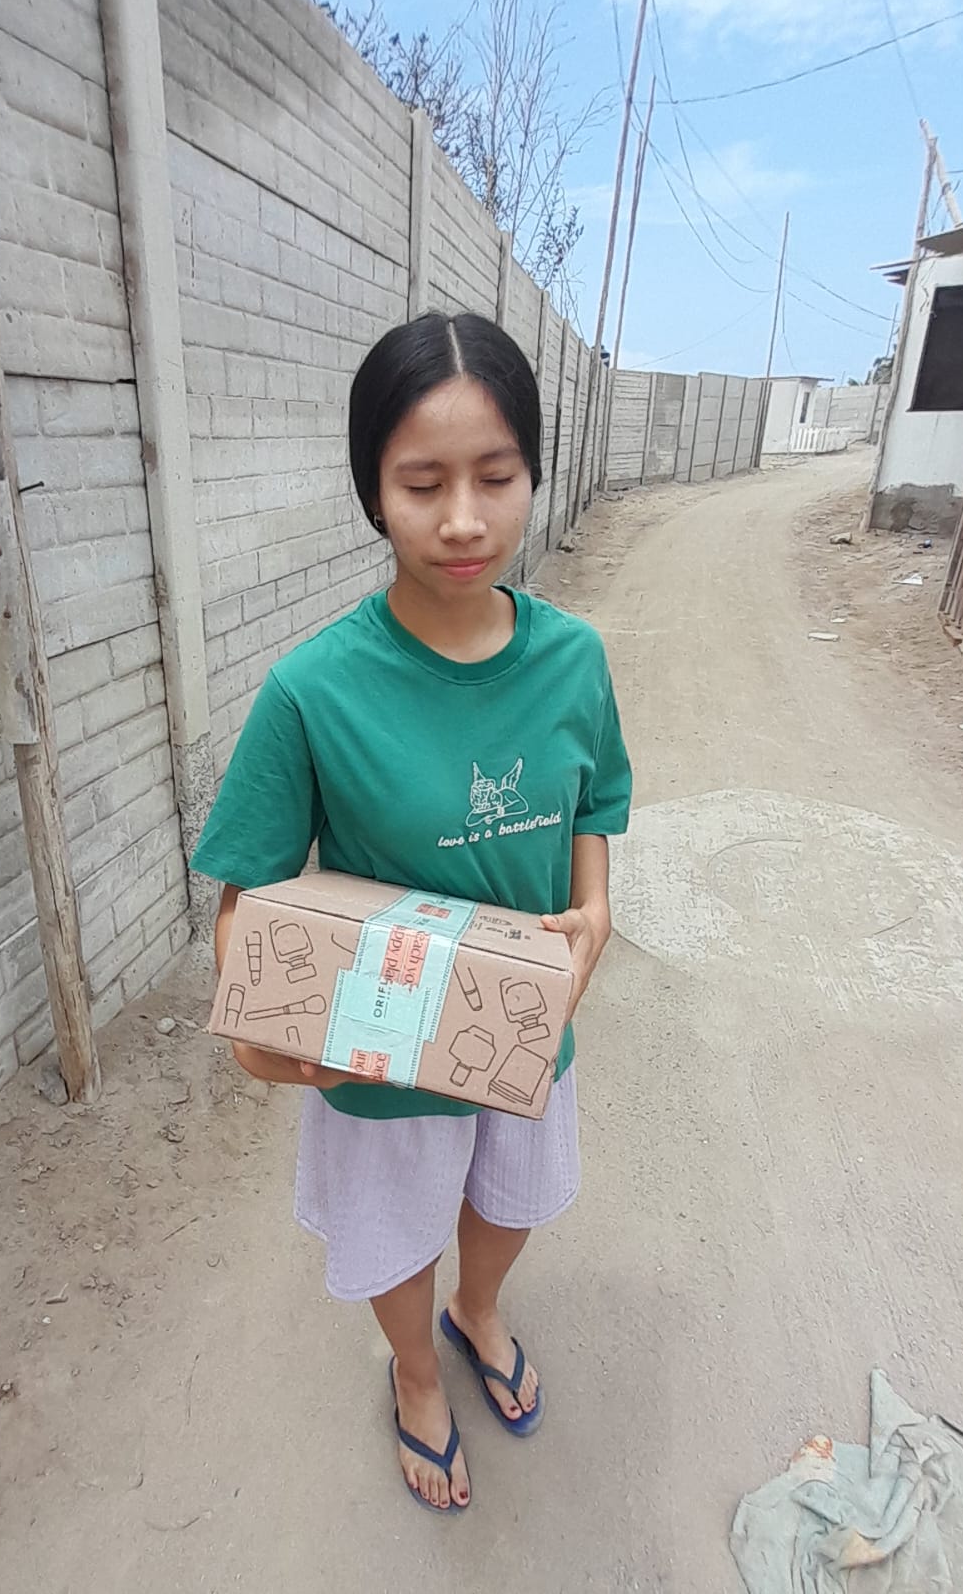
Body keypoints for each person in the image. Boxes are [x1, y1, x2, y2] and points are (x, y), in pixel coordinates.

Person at [190, 311, 632, 1514]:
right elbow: (248, 897)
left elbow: (597, 799)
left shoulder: (574, 660)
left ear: (532, 473)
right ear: (372, 492)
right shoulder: (312, 691)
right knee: (394, 1233)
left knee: (510, 1202)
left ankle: (477, 1312)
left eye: (497, 476)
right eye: (423, 484)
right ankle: (414, 1372)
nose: (464, 520)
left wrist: (593, 909)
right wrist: (268, 1030)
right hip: (383, 1061)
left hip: (524, 1031)